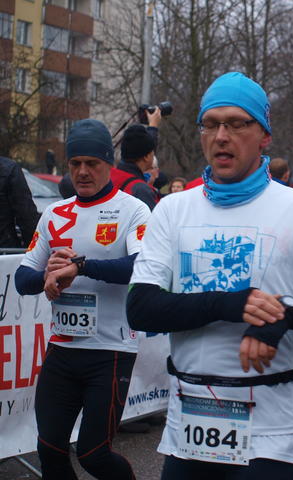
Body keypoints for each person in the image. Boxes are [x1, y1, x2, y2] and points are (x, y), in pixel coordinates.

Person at [126, 72, 293, 478]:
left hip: (270, 427)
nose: (221, 136)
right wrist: (232, 304)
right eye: (211, 124)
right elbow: (141, 307)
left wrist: (283, 314)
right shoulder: (172, 210)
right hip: (190, 422)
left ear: (264, 134)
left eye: (237, 124)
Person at [14, 118, 151, 479]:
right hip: (63, 350)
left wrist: (82, 266)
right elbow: (22, 278)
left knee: (93, 454)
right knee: (50, 449)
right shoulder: (55, 214)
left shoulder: (133, 209)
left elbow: (141, 266)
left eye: (92, 163)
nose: (83, 171)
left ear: (108, 163)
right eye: (75, 163)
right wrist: (47, 277)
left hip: (111, 351)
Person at [111, 108, 163, 210]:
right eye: (152, 152)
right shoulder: (140, 190)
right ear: (147, 157)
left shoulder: (107, 178)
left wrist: (153, 127)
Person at [0, 156, 39, 248]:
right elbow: (26, 216)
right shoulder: (8, 168)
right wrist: (32, 249)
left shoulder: (8, 169)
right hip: (5, 248)